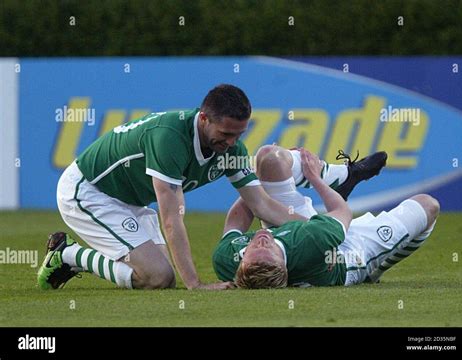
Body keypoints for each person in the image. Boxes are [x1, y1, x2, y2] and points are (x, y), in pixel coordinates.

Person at [37, 84, 386, 291]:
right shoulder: (170, 138)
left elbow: (261, 205)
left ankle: (339, 174)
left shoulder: (231, 150)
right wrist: (196, 284)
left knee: (157, 277)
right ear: (204, 119)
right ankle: (67, 255)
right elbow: (171, 218)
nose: (232, 142)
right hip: (89, 192)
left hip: (131, 199)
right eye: (226, 133)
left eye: (239, 134)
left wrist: (318, 231)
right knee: (159, 277)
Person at [212, 146, 439, 288]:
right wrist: (313, 177)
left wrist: (254, 186)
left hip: (305, 227)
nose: (261, 238)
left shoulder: (226, 260)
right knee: (428, 206)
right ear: (285, 263)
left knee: (269, 157)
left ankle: (342, 176)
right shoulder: (312, 244)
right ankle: (375, 269)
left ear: (241, 264)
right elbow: (343, 212)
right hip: (348, 252)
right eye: (268, 248)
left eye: (252, 249)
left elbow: (234, 221)